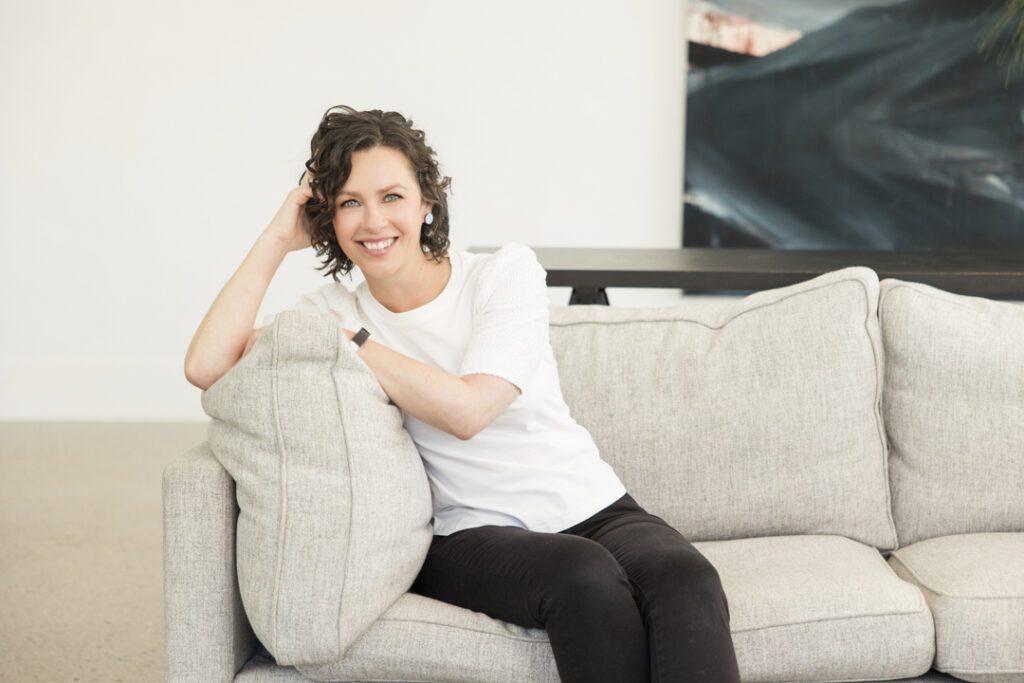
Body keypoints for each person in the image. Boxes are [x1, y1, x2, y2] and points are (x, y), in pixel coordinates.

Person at [184, 104, 741, 683]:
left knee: (687, 579)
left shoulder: (500, 275)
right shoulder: (330, 311)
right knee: (584, 578)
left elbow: (469, 409)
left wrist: (358, 344)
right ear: (328, 218)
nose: (374, 221)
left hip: (594, 506)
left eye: (392, 196)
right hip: (465, 532)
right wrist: (276, 238)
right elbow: (205, 366)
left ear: (428, 202)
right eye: (350, 202)